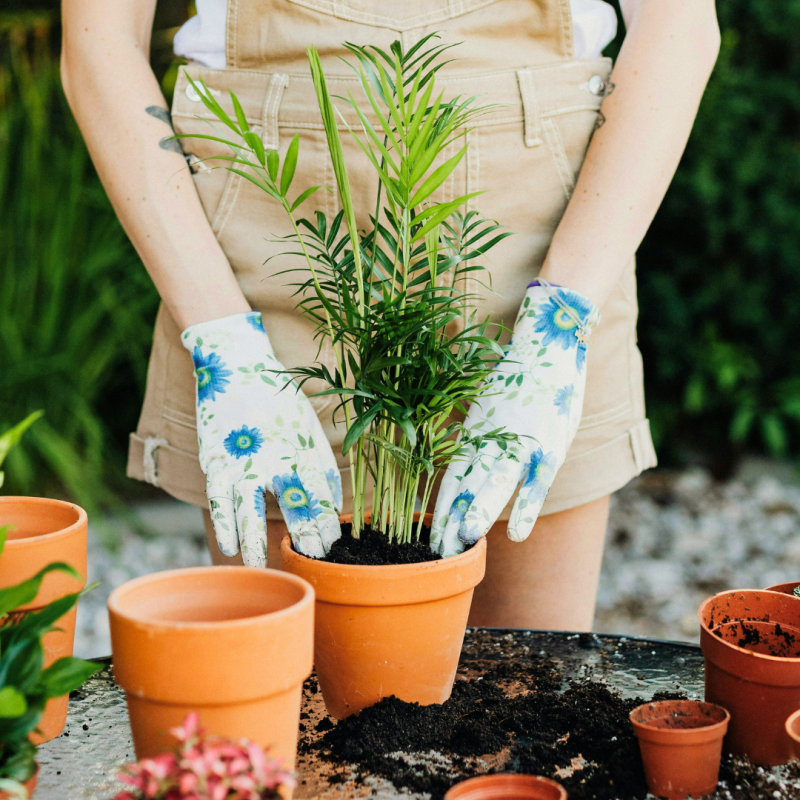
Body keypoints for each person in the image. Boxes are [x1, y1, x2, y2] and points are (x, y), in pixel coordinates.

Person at [61, 0, 720, 630]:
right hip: (271, 236)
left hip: (544, 244)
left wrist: (560, 320)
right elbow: (97, 41)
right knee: (295, 706)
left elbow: (680, 22)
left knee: (526, 706)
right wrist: (220, 335)